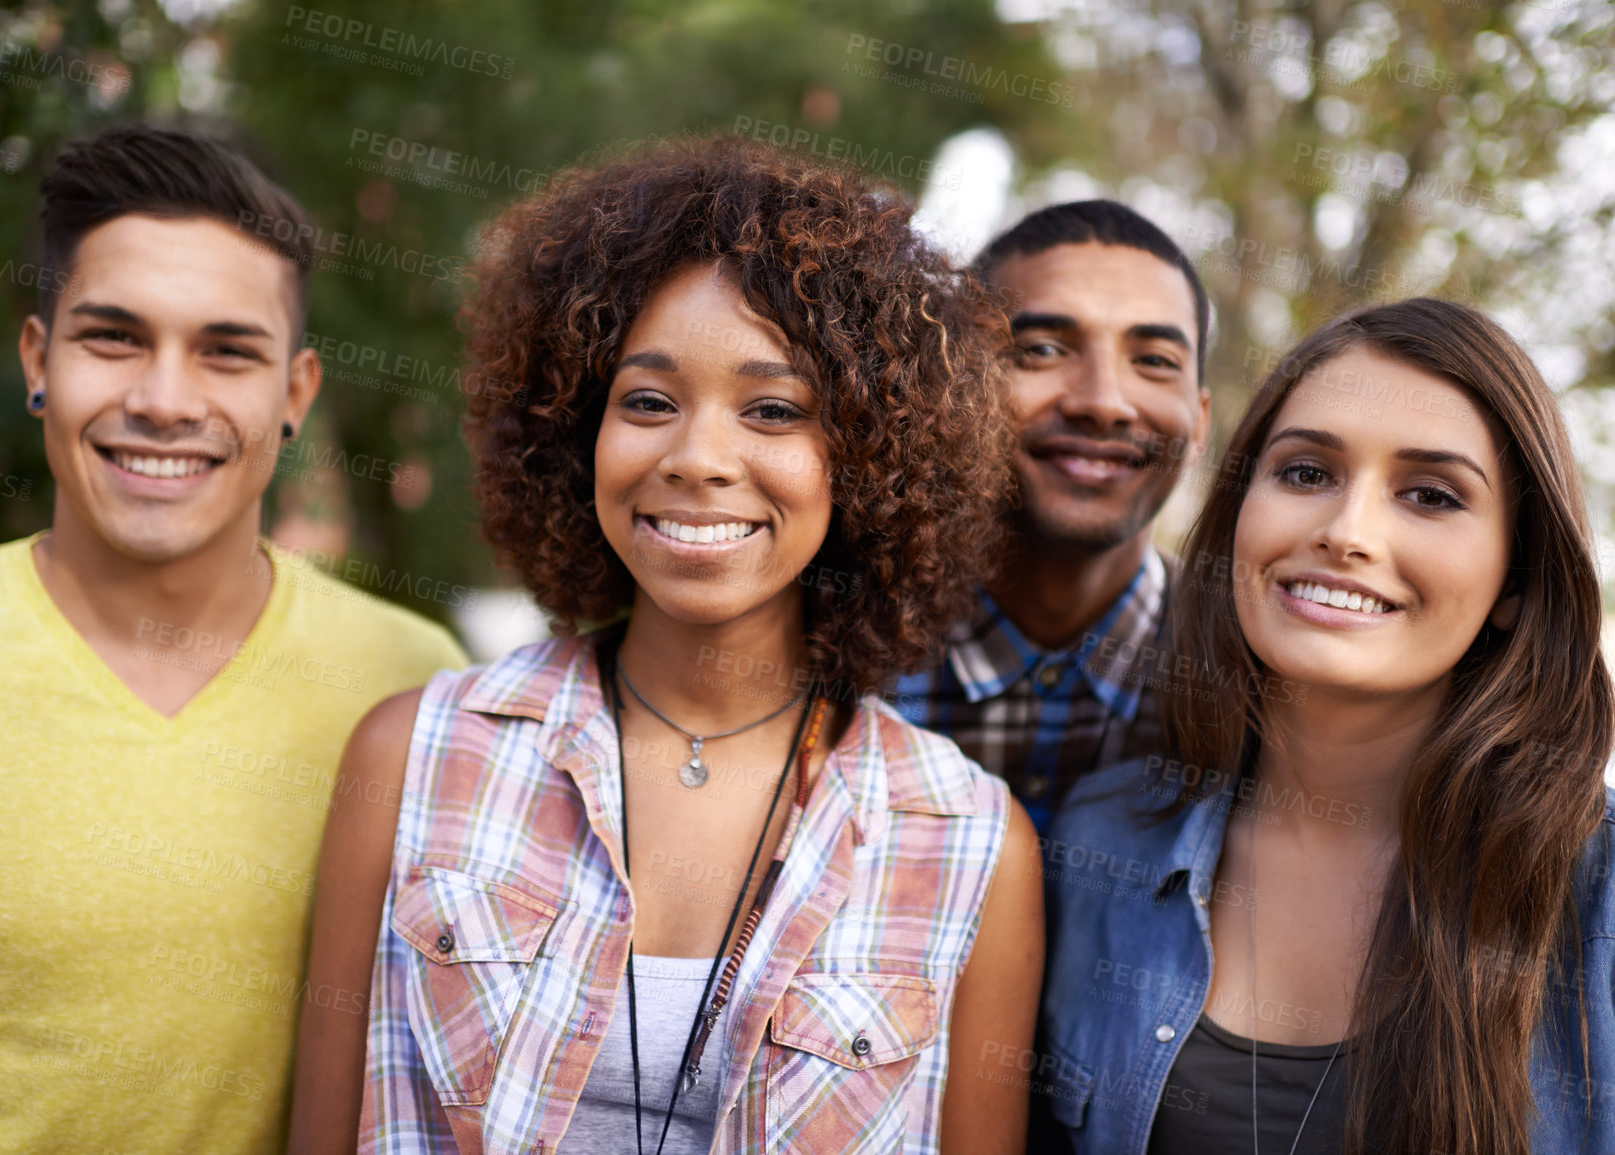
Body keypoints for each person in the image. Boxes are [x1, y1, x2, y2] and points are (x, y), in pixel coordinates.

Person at [288, 136, 1043, 1154]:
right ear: (572, 433)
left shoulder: (964, 843)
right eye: (647, 401)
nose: (697, 459)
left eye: (772, 410)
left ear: (866, 461)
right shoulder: (415, 761)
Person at [0, 124, 466, 1154]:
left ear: (293, 396)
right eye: (112, 337)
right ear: (38, 362)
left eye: (227, 351)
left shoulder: (421, 692)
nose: (162, 400)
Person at [1037, 298, 1615, 1153]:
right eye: (1306, 473)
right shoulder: (1097, 843)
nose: (1346, 533)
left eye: (1429, 494)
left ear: (1515, 582)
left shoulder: (1598, 899)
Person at [894, 200, 1214, 835]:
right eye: (1041, 349)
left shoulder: (1248, 686)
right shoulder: (837, 649)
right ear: (957, 383)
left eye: (1154, 360)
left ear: (1200, 418)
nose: (1103, 402)